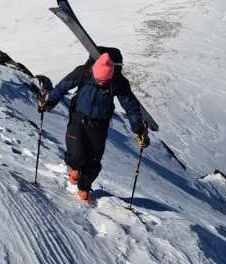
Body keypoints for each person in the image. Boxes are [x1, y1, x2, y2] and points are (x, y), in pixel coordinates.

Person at [38, 48, 150, 202]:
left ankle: (84, 187)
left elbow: (131, 106)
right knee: (76, 153)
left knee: (93, 160)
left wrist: (138, 130)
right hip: (78, 116)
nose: (102, 83)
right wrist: (50, 102)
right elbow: (62, 87)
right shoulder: (83, 72)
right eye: (99, 80)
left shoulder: (119, 82)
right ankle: (74, 169)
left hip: (100, 123)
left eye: (105, 81)